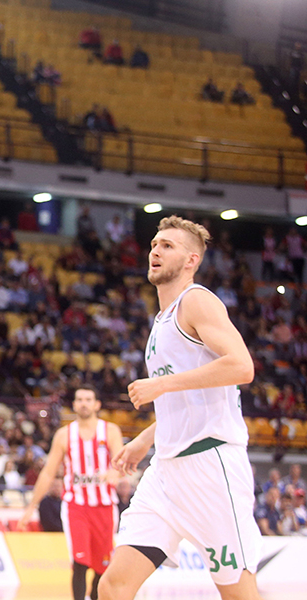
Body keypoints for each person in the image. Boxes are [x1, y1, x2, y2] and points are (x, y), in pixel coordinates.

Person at [99, 216, 261, 600]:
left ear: (191, 260)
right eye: (155, 243)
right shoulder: (161, 322)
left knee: (239, 594)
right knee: (114, 585)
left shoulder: (197, 300)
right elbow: (187, 398)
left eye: (167, 246)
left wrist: (161, 384)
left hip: (211, 467)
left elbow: (242, 366)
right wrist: (144, 440)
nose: (155, 250)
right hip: (166, 472)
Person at [18, 386, 123, 600]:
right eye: (80, 399)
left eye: (88, 399)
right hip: (76, 506)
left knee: (103, 566)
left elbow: (120, 462)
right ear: (74, 405)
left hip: (104, 506)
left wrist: (114, 473)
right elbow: (48, 473)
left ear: (97, 404)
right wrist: (31, 506)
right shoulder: (64, 435)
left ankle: (94, 597)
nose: (84, 403)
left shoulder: (110, 430)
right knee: (80, 561)